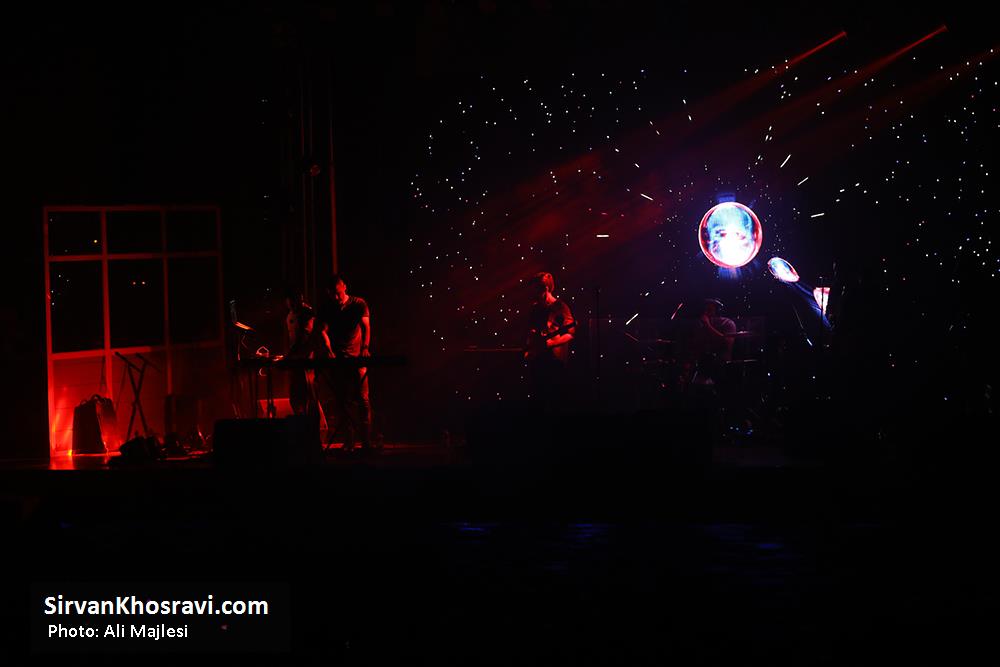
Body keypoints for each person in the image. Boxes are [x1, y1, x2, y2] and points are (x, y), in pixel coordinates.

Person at [314, 274, 374, 452]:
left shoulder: (358, 304)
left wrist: (365, 347)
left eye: (338, 293)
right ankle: (349, 442)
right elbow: (322, 330)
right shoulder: (328, 307)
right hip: (339, 360)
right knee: (343, 402)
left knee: (363, 400)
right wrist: (328, 349)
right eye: (332, 294)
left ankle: (366, 441)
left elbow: (366, 327)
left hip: (357, 358)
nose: (336, 297)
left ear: (344, 287)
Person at [524, 271, 575, 408]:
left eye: (536, 289)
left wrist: (552, 343)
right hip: (538, 359)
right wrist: (529, 349)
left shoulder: (560, 307)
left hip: (555, 362)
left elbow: (570, 333)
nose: (533, 294)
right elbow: (531, 332)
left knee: (554, 399)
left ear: (545, 289)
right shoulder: (535, 308)